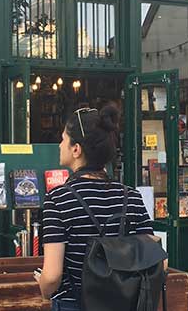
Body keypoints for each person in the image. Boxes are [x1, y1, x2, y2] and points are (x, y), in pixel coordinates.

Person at [35, 104, 154, 310]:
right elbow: (157, 262)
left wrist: (44, 288)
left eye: (63, 139)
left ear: (76, 149)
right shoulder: (131, 197)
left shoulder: (58, 199)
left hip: (75, 303)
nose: (59, 145)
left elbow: (52, 275)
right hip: (123, 303)